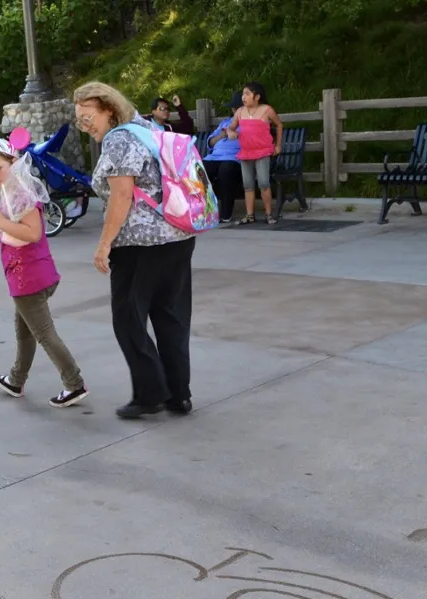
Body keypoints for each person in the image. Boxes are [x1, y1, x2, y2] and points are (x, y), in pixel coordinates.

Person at [74, 81, 195, 420]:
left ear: (109, 111)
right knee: (171, 317)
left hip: (140, 244)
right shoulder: (147, 128)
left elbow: (122, 197)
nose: (85, 126)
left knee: (128, 319)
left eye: (88, 117)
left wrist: (104, 243)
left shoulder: (118, 138)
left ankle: (150, 392)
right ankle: (178, 395)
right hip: (178, 234)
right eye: (80, 120)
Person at [0, 135, 88, 408]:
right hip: (27, 274)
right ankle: (16, 379)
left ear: (13, 162)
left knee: (44, 333)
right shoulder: (11, 191)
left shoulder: (21, 192)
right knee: (24, 331)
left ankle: (74, 384)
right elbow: (16, 226)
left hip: (29, 276)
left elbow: (33, 232)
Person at [225, 82, 284, 224]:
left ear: (257, 96)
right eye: (243, 94)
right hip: (246, 152)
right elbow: (231, 127)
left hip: (262, 151)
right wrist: (231, 132)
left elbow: (279, 125)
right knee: (248, 184)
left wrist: (278, 145)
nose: (244, 97)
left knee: (264, 182)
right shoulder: (240, 112)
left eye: (247, 94)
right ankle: (250, 215)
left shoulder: (267, 110)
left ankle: (269, 214)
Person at [202, 91, 243, 225]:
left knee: (225, 170)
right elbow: (210, 143)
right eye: (234, 108)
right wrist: (221, 135)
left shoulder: (249, 123)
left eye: (238, 107)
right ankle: (203, 211)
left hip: (233, 158)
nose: (235, 110)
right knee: (199, 170)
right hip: (214, 157)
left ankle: (226, 214)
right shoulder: (225, 123)